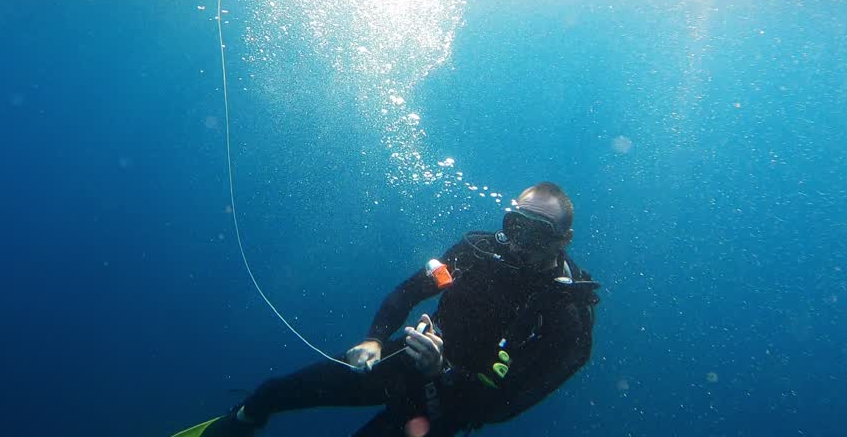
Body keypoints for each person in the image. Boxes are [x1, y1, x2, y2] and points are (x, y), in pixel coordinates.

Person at [187, 182, 599, 437]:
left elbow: (500, 408)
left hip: (446, 409)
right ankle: (239, 424)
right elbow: (406, 293)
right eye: (515, 227)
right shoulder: (478, 254)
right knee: (274, 392)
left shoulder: (567, 316)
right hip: (402, 361)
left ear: (564, 239)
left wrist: (442, 372)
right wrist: (374, 339)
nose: (520, 243)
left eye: (538, 233)